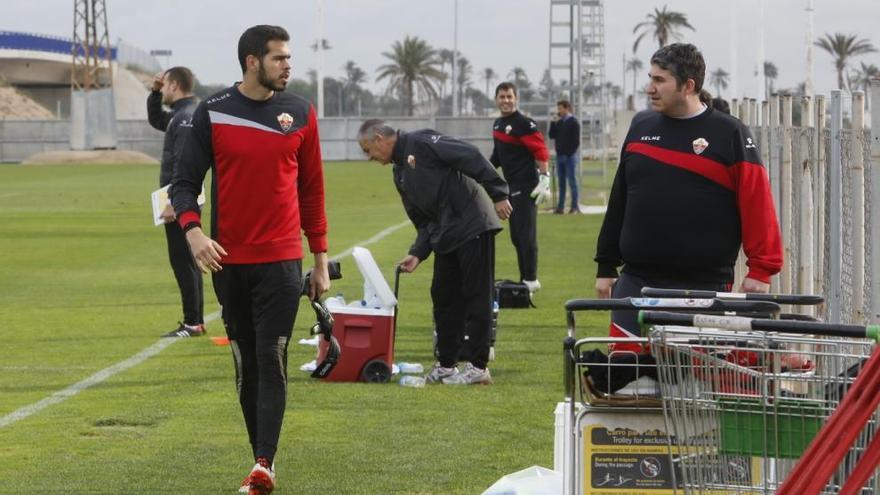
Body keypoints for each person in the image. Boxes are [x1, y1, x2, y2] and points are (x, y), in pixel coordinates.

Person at [171, 25, 330, 495]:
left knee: (272, 354)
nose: (288, 65)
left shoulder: (300, 112)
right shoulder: (214, 112)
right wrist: (194, 231)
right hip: (228, 263)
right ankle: (257, 455)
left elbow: (312, 191)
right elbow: (184, 182)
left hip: (282, 262)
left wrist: (319, 259)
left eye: (289, 57)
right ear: (252, 61)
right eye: (279, 57)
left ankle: (265, 464)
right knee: (246, 362)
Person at [594, 43, 782, 353]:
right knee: (627, 382)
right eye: (650, 78)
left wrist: (761, 269)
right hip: (636, 281)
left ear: (688, 85)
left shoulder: (729, 133)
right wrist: (605, 265)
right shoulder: (641, 127)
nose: (650, 88)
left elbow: (756, 202)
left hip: (703, 285)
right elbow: (621, 198)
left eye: (660, 80)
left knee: (692, 388)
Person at [357, 119, 512, 385]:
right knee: (443, 297)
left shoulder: (422, 142)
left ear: (381, 138)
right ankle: (447, 365)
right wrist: (418, 252)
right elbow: (422, 219)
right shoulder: (400, 173)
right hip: (446, 235)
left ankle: (478, 367)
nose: (369, 157)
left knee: (477, 296)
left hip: (472, 224)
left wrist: (498, 193)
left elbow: (470, 155)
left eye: (368, 149)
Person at [146, 66, 205, 338]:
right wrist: (154, 93)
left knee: (183, 261)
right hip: (184, 196)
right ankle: (195, 320)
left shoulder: (184, 118)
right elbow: (157, 119)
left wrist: (173, 201)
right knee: (187, 260)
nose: (163, 88)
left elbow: (183, 163)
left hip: (180, 199)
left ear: (175, 85)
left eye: (165, 84)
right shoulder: (185, 114)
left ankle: (192, 322)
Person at [490, 82, 551, 293]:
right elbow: (497, 157)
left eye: (509, 96)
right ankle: (524, 278)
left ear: (516, 99)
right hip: (511, 187)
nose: (506, 101)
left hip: (527, 186)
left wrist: (545, 178)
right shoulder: (498, 125)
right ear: (496, 99)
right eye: (502, 97)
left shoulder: (524, 123)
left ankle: (531, 280)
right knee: (516, 235)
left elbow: (540, 151)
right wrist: (479, 171)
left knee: (526, 234)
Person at [548, 99, 581, 214]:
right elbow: (551, 135)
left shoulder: (574, 122)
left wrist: (568, 153)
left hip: (570, 157)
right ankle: (560, 207)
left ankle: (574, 206)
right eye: (558, 109)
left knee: (572, 182)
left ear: (567, 108)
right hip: (559, 156)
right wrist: (553, 122)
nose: (559, 111)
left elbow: (576, 142)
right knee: (561, 183)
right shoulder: (560, 122)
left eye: (560, 108)